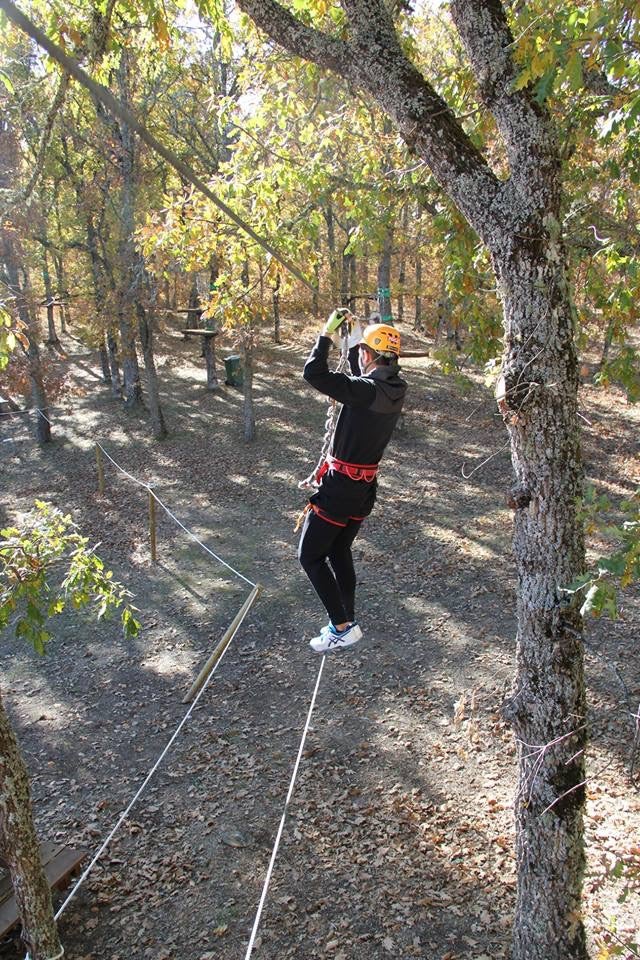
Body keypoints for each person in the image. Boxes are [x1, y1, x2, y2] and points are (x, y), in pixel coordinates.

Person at [298, 309, 407, 653]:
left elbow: (313, 373)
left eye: (362, 352)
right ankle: (346, 620)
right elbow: (362, 380)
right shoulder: (396, 388)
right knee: (339, 548)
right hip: (362, 490)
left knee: (310, 556)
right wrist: (356, 342)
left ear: (368, 355)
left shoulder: (363, 391)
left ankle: (341, 626)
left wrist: (326, 334)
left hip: (341, 488)